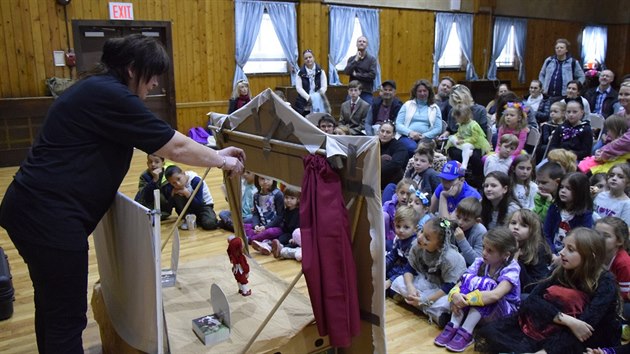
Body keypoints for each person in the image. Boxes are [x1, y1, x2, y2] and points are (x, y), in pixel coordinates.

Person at [0, 34, 246, 353]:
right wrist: (223, 160)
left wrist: (213, 151)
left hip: (32, 209)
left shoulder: (95, 88)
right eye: (153, 74)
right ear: (132, 69)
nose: (155, 83)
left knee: (52, 308)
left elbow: (175, 142)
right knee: (66, 319)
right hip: (51, 218)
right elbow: (174, 145)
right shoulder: (110, 94)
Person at [476, 228, 621, 354]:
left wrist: (545, 351)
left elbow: (583, 329)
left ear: (590, 256)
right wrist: (567, 319)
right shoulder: (563, 270)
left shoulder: (605, 282)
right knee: (492, 332)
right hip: (559, 325)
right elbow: (531, 301)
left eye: (570, 250)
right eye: (563, 247)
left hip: (586, 338)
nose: (562, 253)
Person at [435, 227, 520, 352]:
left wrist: (466, 300)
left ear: (505, 254)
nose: (484, 252)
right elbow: (461, 282)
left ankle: (467, 331)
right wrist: (455, 296)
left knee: (488, 285)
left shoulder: (512, 268)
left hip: (505, 312)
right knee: (469, 279)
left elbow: (495, 295)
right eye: (484, 247)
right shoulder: (480, 262)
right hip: (479, 308)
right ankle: (454, 325)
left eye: (490, 250)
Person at [390, 217, 467, 324]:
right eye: (421, 231)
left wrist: (426, 300)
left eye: (427, 238)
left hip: (442, 291)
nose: (420, 237)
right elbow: (409, 268)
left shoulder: (450, 258)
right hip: (426, 283)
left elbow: (449, 287)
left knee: (446, 303)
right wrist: (410, 287)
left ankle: (429, 309)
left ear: (439, 244)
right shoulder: (417, 245)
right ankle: (428, 311)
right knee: (399, 281)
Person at [544, 172, 593, 258]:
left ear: (580, 192)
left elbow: (582, 241)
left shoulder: (585, 215)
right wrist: (552, 253)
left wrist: (562, 257)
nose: (563, 191)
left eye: (569, 188)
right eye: (562, 187)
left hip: (571, 256)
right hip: (550, 252)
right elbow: (546, 233)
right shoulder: (554, 208)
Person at [594, 217, 630, 320]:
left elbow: (625, 295)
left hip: (622, 300)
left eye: (606, 236)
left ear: (619, 241)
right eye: (596, 234)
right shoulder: (594, 253)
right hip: (605, 294)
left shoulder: (623, 263)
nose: (599, 238)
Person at [507, 210, 551, 293]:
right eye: (513, 223)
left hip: (525, 292)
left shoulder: (539, 249)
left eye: (523, 225)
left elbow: (534, 287)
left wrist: (515, 262)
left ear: (533, 231)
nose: (516, 227)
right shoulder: (502, 243)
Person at [395, 79, 443, 155]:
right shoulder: (407, 105)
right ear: (415, 93)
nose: (422, 93)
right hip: (407, 136)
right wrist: (410, 133)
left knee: (423, 148)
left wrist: (423, 136)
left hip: (426, 138)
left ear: (429, 92)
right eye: (419, 91)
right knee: (412, 147)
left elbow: (438, 128)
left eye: (425, 91)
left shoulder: (435, 108)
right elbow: (398, 124)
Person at [163, 165, 219, 230]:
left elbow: (199, 204)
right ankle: (188, 218)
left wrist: (188, 194)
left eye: (179, 179)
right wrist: (172, 195)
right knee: (177, 195)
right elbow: (169, 207)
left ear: (183, 173)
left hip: (204, 206)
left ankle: (199, 219)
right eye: (174, 183)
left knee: (210, 224)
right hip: (190, 207)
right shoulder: (171, 186)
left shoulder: (196, 181)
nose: (178, 184)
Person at [444, 105, 491, 170]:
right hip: (463, 141)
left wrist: (463, 141)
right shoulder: (461, 124)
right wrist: (457, 136)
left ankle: (464, 165)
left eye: (457, 118)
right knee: (451, 138)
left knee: (466, 146)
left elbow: (475, 138)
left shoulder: (473, 125)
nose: (455, 120)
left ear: (463, 117)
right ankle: (463, 154)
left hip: (474, 143)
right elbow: (460, 133)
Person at [257, 187, 300, 256]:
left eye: (292, 198)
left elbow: (299, 227)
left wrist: (294, 238)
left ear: (297, 200)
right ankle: (267, 245)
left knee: (286, 241)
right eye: (286, 197)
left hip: (293, 235)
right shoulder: (286, 211)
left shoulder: (299, 212)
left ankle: (277, 248)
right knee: (278, 237)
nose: (288, 200)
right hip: (286, 232)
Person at [385, 205, 421, 290]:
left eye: (406, 227)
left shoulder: (415, 245)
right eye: (398, 226)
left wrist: (390, 281)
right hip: (400, 268)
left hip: (412, 273)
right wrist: (382, 266)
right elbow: (392, 256)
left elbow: (410, 269)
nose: (401, 230)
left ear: (415, 229)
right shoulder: (399, 239)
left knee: (398, 284)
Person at [594, 82, 630, 163]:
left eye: (627, 94)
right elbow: (610, 135)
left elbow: (627, 141)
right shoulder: (619, 114)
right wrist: (601, 151)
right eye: (620, 94)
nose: (622, 97)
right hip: (615, 152)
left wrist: (605, 151)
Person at [245, 176, 284, 244]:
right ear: (257, 180)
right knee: (243, 226)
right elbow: (255, 213)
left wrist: (265, 227)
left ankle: (251, 239)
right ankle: (264, 241)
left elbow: (280, 216)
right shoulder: (256, 195)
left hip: (275, 226)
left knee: (271, 232)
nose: (265, 181)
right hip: (261, 225)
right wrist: (256, 226)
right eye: (262, 179)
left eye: (268, 178)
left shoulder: (278, 194)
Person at [134, 154, 173, 220]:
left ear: (163, 163)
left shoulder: (169, 174)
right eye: (150, 162)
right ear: (147, 163)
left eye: (157, 162)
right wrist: (154, 180)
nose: (153, 164)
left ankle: (185, 217)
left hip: (164, 208)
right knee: (139, 194)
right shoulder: (144, 176)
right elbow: (145, 195)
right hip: (150, 206)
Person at [452, 197, 487, 266]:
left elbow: (476, 262)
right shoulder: (453, 223)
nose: (460, 222)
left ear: (477, 221)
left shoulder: (481, 232)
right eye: (458, 217)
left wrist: (462, 241)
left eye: (466, 220)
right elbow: (441, 222)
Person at [343, 36, 377, 104]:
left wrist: (357, 75)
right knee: (347, 109)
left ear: (366, 45)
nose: (361, 43)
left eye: (364, 42)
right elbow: (346, 72)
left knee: (369, 112)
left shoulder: (372, 60)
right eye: (360, 41)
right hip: (353, 91)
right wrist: (355, 60)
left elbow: (372, 75)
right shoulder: (351, 59)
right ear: (356, 44)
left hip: (366, 91)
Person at [294, 49, 329, 116]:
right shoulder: (299, 73)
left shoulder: (321, 71)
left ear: (313, 58)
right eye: (306, 58)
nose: (308, 59)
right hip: (304, 102)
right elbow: (299, 88)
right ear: (304, 60)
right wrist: (308, 98)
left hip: (318, 100)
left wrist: (316, 97)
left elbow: (324, 87)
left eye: (310, 57)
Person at [383, 179, 414, 251]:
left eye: (408, 194)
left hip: (403, 241)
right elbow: (379, 216)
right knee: (384, 215)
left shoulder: (413, 210)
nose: (404, 197)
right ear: (397, 192)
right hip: (389, 236)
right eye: (402, 193)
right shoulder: (390, 204)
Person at [378, 121, 408, 190]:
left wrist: (376, 171)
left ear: (394, 135)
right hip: (375, 177)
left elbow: (396, 164)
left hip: (392, 179)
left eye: (388, 132)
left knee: (385, 159)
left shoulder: (400, 147)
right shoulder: (374, 143)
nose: (384, 134)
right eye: (382, 131)